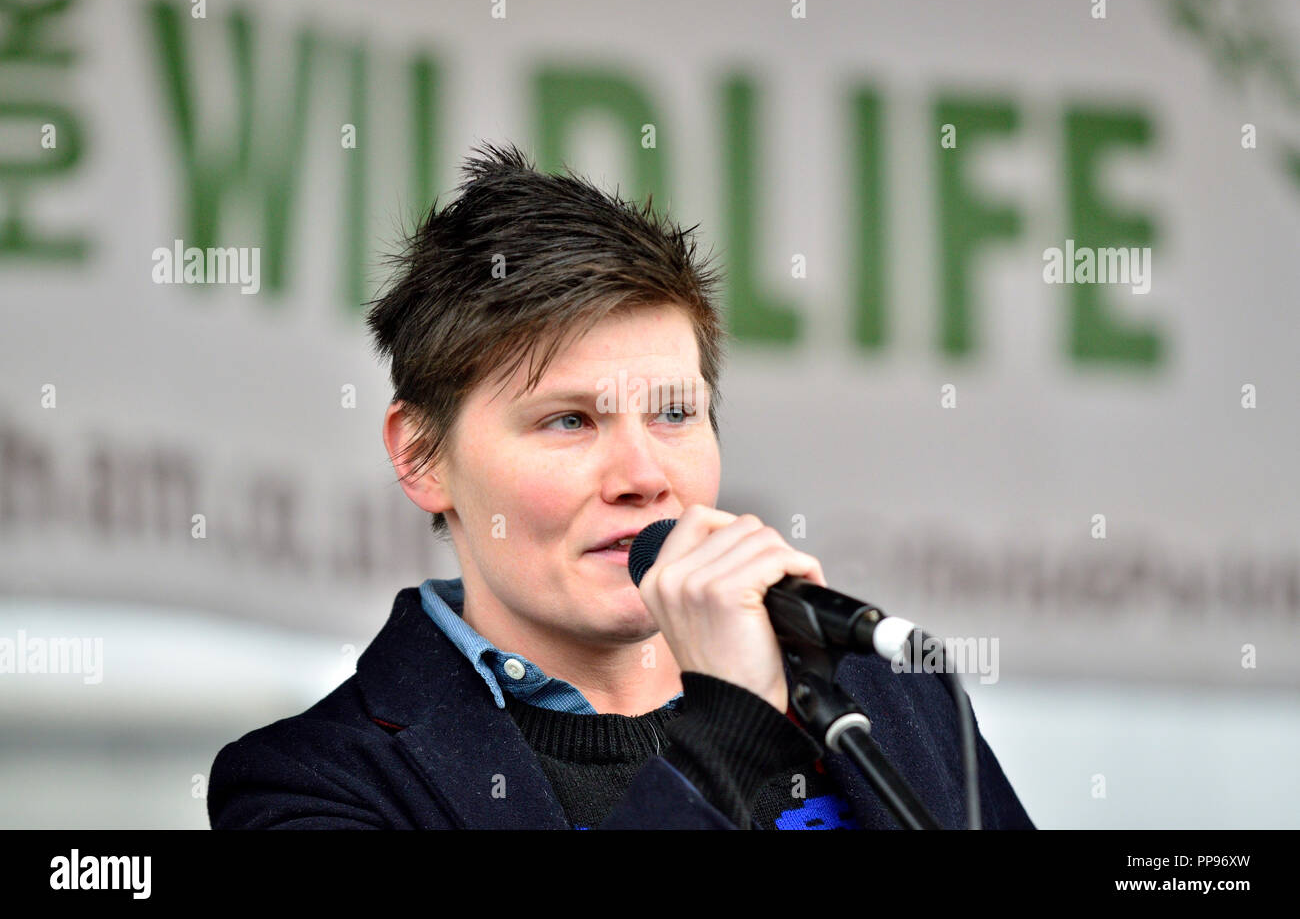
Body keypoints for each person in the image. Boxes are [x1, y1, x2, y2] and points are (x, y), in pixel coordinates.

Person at [207, 141, 1035, 830]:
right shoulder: (310, 783)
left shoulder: (890, 695)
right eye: (569, 421)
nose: (644, 477)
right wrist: (730, 729)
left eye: (675, 413)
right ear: (422, 455)